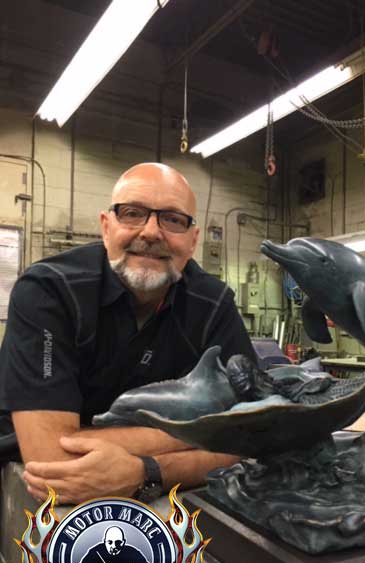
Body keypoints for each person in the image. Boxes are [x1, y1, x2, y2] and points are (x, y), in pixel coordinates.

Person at [0, 162, 256, 505]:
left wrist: (148, 472)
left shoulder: (213, 304)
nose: (151, 232)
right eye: (132, 213)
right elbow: (52, 460)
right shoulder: (50, 291)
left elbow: (252, 434)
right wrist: (204, 433)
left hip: (158, 494)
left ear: (193, 240)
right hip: (25, 488)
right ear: (106, 228)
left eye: (173, 219)